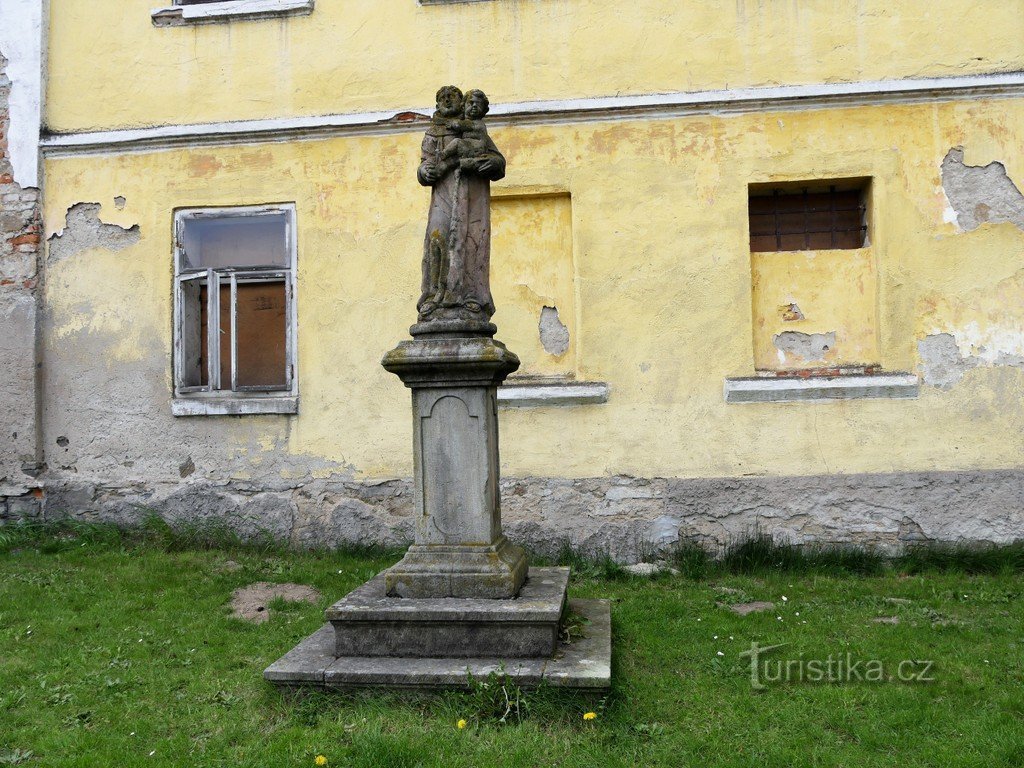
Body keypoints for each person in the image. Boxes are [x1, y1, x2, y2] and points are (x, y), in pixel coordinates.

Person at [416, 87, 505, 321]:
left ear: (461, 102)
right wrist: (424, 171)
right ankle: (433, 297)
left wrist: (493, 163)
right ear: (436, 104)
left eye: (452, 97)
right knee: (438, 238)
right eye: (442, 98)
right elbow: (424, 164)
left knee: (472, 243)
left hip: (472, 200)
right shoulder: (433, 133)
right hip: (443, 199)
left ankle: (472, 298)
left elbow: (497, 160)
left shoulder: (473, 130)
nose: (447, 101)